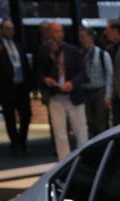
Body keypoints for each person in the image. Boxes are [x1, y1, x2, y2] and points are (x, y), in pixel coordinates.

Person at [35, 20, 88, 160]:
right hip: (55, 95)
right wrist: (45, 80)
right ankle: (64, 160)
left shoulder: (72, 50)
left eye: (61, 31)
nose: (59, 34)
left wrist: (72, 83)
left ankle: (83, 158)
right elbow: (37, 73)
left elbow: (82, 72)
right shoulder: (43, 51)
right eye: (56, 31)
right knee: (59, 132)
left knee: (80, 130)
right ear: (49, 33)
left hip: (73, 95)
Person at [0, 20, 32, 156]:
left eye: (11, 28)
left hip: (21, 85)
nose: (9, 31)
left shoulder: (18, 45)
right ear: (1, 30)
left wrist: (31, 84)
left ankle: (22, 140)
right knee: (9, 115)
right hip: (6, 87)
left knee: (26, 114)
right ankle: (15, 143)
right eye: (7, 28)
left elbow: (25, 64)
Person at [78, 27, 111, 138]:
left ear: (91, 37)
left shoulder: (102, 54)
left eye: (83, 37)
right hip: (85, 92)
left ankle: (102, 145)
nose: (81, 39)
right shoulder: (80, 54)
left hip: (99, 92)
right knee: (87, 123)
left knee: (100, 123)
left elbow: (109, 75)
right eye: (80, 37)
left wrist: (108, 95)